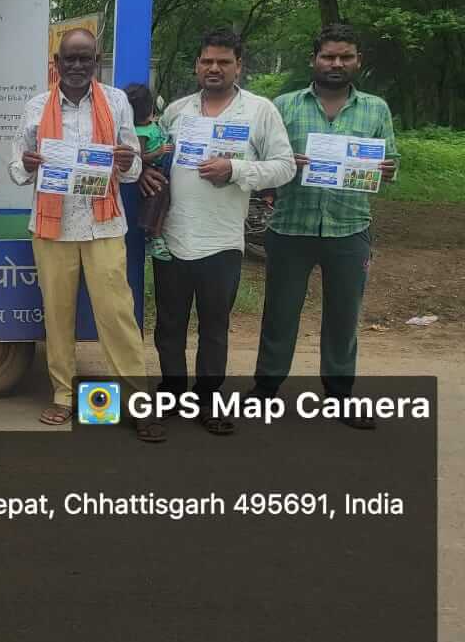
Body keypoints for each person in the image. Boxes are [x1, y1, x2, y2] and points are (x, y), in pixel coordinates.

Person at [138, 29, 295, 434]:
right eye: (207, 61)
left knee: (214, 327)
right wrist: (146, 174)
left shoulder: (259, 111)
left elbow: (285, 166)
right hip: (172, 237)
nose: (214, 68)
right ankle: (172, 392)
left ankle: (208, 399)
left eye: (224, 62)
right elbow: (156, 156)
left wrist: (236, 169)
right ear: (197, 65)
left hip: (223, 240)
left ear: (238, 66)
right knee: (169, 325)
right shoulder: (176, 111)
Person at [8, 29, 157, 440]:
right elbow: (16, 169)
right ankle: (63, 395)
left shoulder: (117, 101)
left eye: (84, 58)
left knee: (117, 314)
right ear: (56, 62)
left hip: (104, 224)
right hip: (51, 227)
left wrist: (127, 162)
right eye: (69, 59)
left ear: (96, 61)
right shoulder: (37, 106)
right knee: (57, 315)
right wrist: (27, 164)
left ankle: (137, 400)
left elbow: (133, 168)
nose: (76, 66)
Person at [252, 24, 399, 428]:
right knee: (279, 314)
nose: (336, 63)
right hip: (290, 227)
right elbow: (261, 161)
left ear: (357, 61)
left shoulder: (376, 109)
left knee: (343, 317)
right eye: (328, 56)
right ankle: (265, 390)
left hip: (349, 229)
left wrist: (386, 170)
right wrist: (284, 164)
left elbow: (391, 162)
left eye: (345, 57)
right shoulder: (283, 106)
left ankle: (339, 396)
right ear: (313, 60)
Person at [124, 83, 173, 261]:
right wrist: (158, 152)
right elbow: (140, 157)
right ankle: (152, 235)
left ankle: (155, 234)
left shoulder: (151, 124)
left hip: (163, 168)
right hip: (153, 170)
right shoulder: (139, 133)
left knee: (165, 199)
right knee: (158, 197)